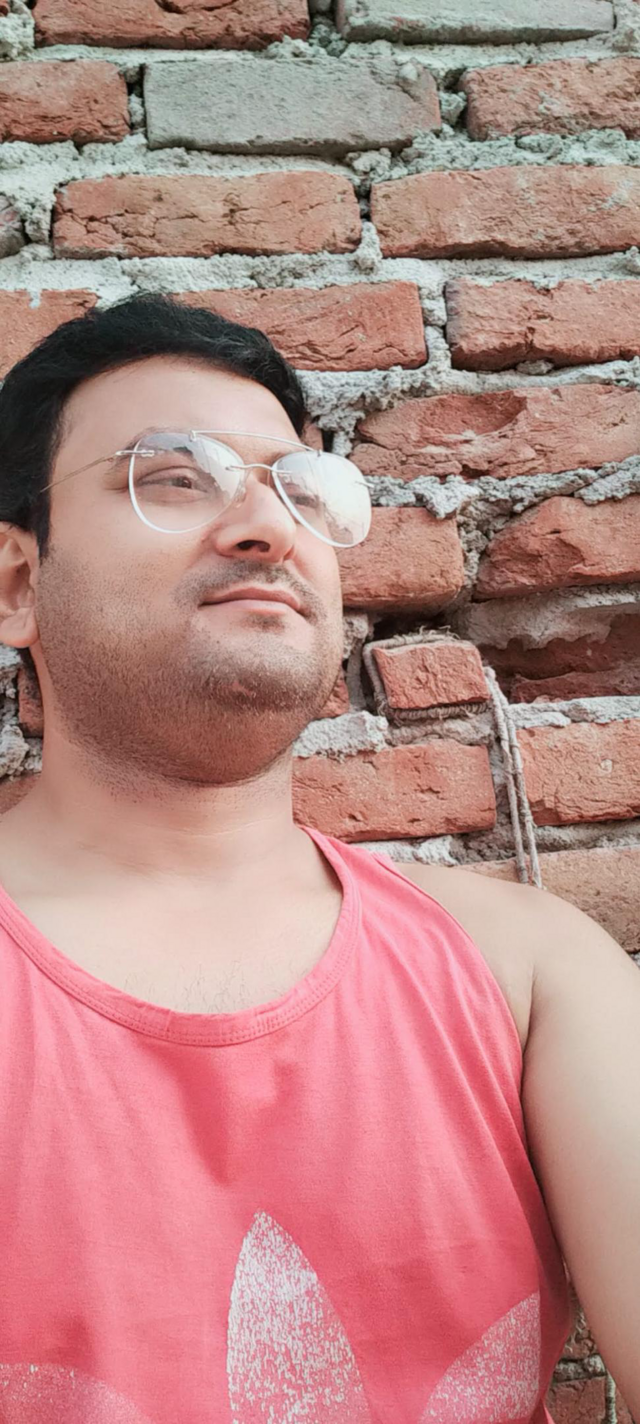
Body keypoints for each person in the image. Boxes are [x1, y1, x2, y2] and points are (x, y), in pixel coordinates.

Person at [0, 293, 637, 1424]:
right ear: (15, 582)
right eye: (175, 476)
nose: (266, 526)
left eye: (299, 489)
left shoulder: (534, 975)